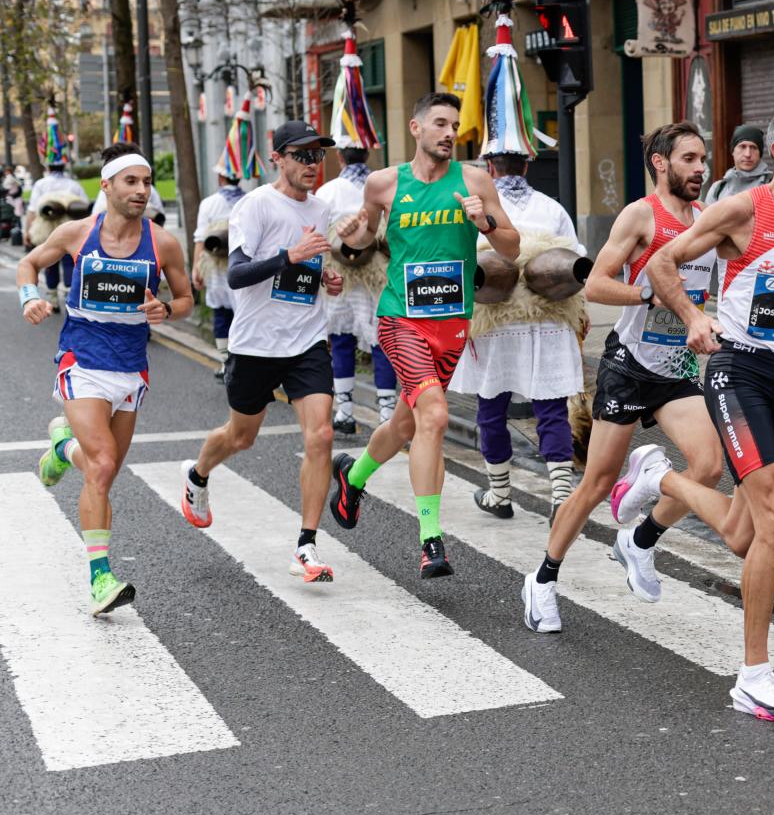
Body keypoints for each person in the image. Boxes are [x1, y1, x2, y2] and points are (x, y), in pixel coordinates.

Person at [610, 100, 774, 722]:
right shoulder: (742, 210)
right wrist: (693, 318)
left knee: (747, 534)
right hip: (734, 370)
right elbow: (663, 261)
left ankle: (659, 479)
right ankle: (754, 675)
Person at [521, 122, 724, 634]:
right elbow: (593, 284)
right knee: (595, 484)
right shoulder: (641, 215)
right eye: (690, 159)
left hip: (676, 368)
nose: (701, 168)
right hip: (629, 367)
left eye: (703, 159)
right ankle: (542, 580)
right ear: (661, 163)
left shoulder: (706, 220)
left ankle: (639, 540)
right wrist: (648, 296)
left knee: (709, 466)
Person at [326, 92, 520, 579]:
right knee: (432, 414)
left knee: (407, 424)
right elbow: (364, 241)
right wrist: (351, 233)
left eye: (454, 124)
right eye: (439, 123)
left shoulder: (475, 180)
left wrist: (485, 221)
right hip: (401, 318)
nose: (450, 132)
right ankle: (431, 540)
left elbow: (512, 248)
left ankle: (354, 477)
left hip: (452, 322)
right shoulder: (384, 183)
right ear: (416, 129)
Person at [16, 142, 194, 614]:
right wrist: (29, 297)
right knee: (102, 464)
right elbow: (28, 263)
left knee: (104, 469)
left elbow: (186, 300)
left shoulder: (163, 242)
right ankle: (101, 579)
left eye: (147, 181)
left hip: (130, 369)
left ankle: (61, 449)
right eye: (131, 181)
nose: (141, 190)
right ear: (108, 185)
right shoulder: (77, 234)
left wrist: (166, 309)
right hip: (82, 361)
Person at [179, 122, 345, 582]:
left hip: (306, 339)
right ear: (279, 158)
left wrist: (326, 278)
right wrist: (291, 257)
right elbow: (236, 275)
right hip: (255, 343)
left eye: (319, 155)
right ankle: (198, 474)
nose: (313, 164)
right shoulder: (254, 206)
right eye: (302, 155)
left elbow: (312, 267)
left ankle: (307, 546)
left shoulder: (323, 207)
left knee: (321, 436)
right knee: (241, 436)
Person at [451, 152, 587, 519]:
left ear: (489, 168)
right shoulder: (551, 207)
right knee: (551, 408)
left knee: (491, 409)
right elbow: (577, 258)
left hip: (493, 319)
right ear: (526, 165)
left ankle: (500, 494)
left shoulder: (475, 207)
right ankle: (561, 496)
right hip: (546, 318)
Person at [317, 146, 399, 434]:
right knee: (382, 340)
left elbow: (318, 232)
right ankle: (386, 411)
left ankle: (345, 410)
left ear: (340, 157)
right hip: (379, 275)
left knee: (340, 339)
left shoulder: (329, 190)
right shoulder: (386, 183)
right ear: (367, 155)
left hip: (341, 275)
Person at [192, 168, 248, 378]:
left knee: (221, 315)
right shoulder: (249, 200)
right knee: (242, 315)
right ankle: (242, 363)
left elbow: (200, 239)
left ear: (220, 177)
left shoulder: (209, 203)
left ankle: (227, 365)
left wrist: (197, 268)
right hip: (242, 266)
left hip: (215, 267)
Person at [25, 158, 89, 310]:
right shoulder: (73, 185)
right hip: (70, 228)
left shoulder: (41, 184)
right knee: (69, 260)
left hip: (47, 228)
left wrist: (27, 231)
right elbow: (84, 206)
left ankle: (53, 298)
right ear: (64, 165)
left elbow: (33, 209)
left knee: (48, 262)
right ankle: (68, 295)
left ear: (48, 165)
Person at [701, 124, 771, 206]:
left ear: (760, 153)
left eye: (753, 147)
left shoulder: (772, 184)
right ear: (732, 151)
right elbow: (709, 218)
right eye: (742, 147)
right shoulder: (718, 189)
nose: (747, 154)